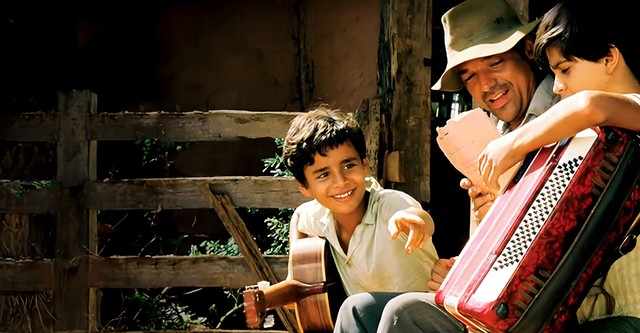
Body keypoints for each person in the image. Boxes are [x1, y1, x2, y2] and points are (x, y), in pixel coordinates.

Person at [333, 0, 560, 331]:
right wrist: (460, 270)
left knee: (403, 312)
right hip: (495, 294)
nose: (486, 86)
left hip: (545, 298)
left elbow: (561, 227)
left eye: (495, 62)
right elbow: (487, 241)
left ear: (527, 49)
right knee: (358, 310)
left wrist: (508, 208)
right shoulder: (489, 136)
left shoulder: (563, 110)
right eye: (470, 76)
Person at [477, 1, 640, 332]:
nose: (557, 86)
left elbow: (589, 104)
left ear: (610, 58)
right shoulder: (583, 141)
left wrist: (513, 142)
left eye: (565, 70)